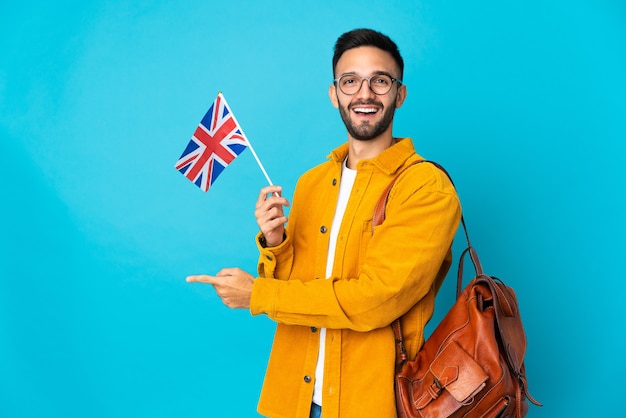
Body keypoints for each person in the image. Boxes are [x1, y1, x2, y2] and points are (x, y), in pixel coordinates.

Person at [187, 28, 462, 418]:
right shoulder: (313, 182)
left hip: (369, 403)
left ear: (399, 94)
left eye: (380, 81)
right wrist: (277, 241)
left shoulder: (425, 188)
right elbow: (296, 293)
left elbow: (375, 301)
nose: (364, 94)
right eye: (350, 81)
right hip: (295, 398)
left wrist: (258, 295)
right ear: (334, 94)